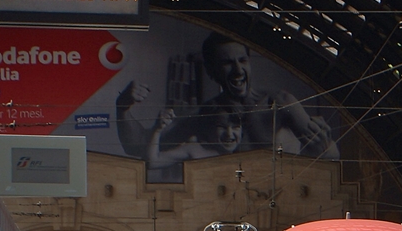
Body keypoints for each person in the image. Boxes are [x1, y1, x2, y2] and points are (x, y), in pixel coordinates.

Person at [115, 32, 339, 161]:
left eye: (242, 61)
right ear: (212, 72)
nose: (238, 71)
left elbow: (332, 156)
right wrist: (122, 108)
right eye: (227, 63)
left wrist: (322, 146)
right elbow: (139, 146)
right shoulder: (206, 114)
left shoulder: (279, 102)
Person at [146, 102, 243, 173]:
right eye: (222, 127)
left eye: (235, 127)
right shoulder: (195, 149)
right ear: (210, 128)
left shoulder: (246, 155)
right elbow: (153, 162)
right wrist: (157, 129)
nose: (229, 134)